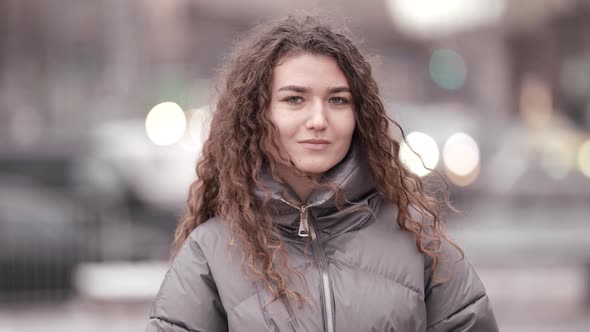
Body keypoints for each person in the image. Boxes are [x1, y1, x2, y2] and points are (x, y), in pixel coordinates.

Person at [146, 15, 498, 332]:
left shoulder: (416, 237)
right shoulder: (210, 251)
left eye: (338, 100)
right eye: (294, 99)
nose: (318, 120)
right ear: (255, 114)